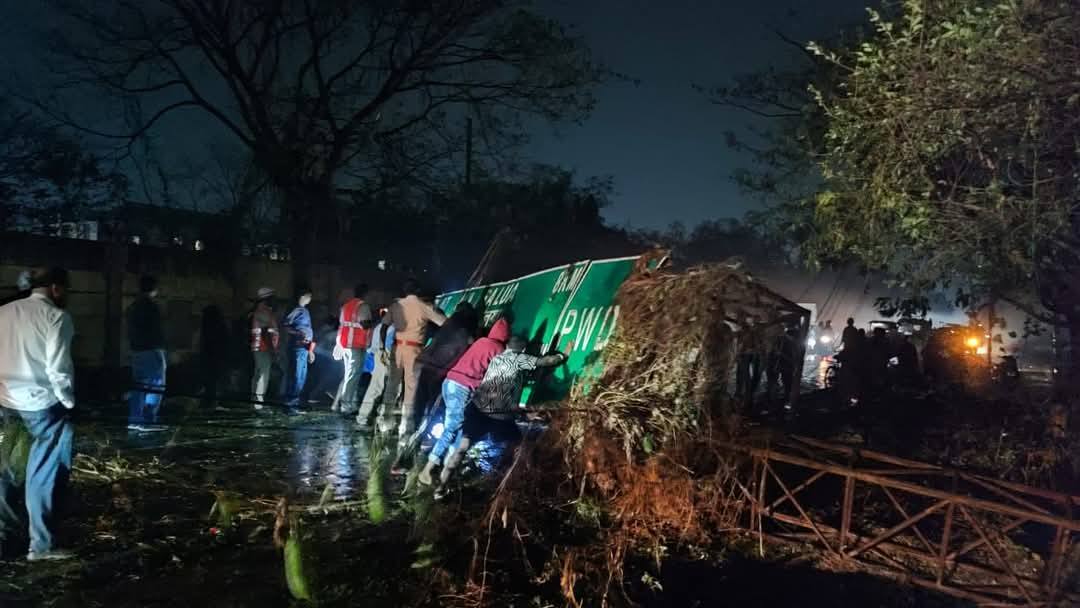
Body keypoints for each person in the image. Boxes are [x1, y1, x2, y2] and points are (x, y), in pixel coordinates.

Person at [0, 267, 76, 561]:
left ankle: (5, 540)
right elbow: (58, 369)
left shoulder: (4, 312)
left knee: (6, 471)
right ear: (56, 288)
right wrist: (68, 404)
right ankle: (41, 546)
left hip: (6, 402)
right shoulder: (56, 317)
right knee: (43, 476)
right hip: (43, 407)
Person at [427, 336, 570, 491]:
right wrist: (564, 354)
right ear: (522, 350)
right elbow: (545, 362)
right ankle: (521, 480)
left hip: (477, 410)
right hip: (499, 415)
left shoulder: (496, 358)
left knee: (462, 447)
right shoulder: (518, 359)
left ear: (507, 346)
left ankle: (441, 486)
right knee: (520, 444)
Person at [418, 318, 509, 486]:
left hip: (450, 382)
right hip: (462, 387)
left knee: (458, 427)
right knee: (452, 427)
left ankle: (447, 468)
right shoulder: (499, 348)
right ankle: (427, 470)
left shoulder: (481, 341)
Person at [389, 280, 447, 439]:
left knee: (392, 386)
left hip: (396, 347)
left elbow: (385, 326)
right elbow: (444, 323)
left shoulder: (397, 305)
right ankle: (405, 427)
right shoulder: (423, 307)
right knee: (410, 389)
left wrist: (383, 348)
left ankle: (385, 424)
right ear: (418, 291)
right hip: (414, 349)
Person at [411, 302, 479, 431]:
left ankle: (410, 431)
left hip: (420, 363)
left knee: (414, 402)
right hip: (432, 370)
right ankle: (419, 433)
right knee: (428, 404)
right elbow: (455, 357)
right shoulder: (464, 337)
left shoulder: (447, 326)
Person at [127, 275, 167, 432]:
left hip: (137, 351)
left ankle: (135, 419)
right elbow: (158, 330)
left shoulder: (132, 307)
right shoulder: (152, 307)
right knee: (156, 385)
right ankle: (148, 419)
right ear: (154, 289)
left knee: (138, 386)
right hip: (152, 350)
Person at [332, 284, 374, 414]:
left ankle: (346, 403)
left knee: (349, 375)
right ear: (366, 294)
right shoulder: (363, 306)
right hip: (356, 345)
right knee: (353, 376)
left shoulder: (346, 306)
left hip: (346, 344)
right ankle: (346, 405)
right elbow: (365, 324)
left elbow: (342, 324)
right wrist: (374, 321)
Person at [356, 310, 397, 429]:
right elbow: (388, 344)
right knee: (378, 388)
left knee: (376, 388)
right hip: (385, 356)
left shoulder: (381, 326)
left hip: (378, 356)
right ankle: (368, 417)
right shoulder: (392, 327)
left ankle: (365, 417)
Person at [282, 288, 316, 415]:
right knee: (297, 376)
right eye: (309, 296)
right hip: (297, 347)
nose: (310, 299)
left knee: (301, 376)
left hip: (304, 348)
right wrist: (298, 333)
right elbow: (285, 326)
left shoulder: (305, 311)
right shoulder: (296, 310)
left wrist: (310, 350)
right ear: (303, 296)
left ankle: (293, 403)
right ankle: (290, 405)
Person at [249, 287, 280, 410]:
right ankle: (258, 403)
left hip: (260, 347)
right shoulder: (264, 312)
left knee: (258, 374)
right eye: (272, 298)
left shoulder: (261, 310)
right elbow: (266, 332)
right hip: (263, 347)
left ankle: (255, 401)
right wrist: (273, 349)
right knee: (263, 375)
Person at [199, 304, 229, 409]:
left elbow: (204, 343)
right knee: (214, 382)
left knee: (211, 383)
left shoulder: (207, 326)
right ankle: (213, 403)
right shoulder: (221, 326)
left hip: (210, 358)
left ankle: (210, 403)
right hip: (217, 358)